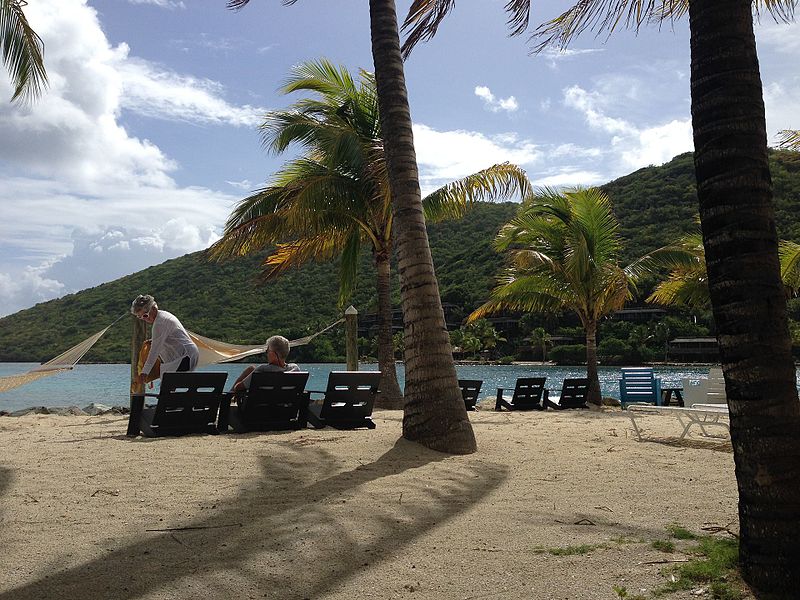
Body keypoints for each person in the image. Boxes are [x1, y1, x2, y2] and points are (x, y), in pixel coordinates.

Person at [131, 294, 199, 384]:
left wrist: (144, 373)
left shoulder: (159, 323)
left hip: (183, 357)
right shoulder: (163, 315)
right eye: (140, 317)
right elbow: (172, 337)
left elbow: (154, 351)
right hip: (187, 355)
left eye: (145, 315)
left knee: (167, 389)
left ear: (153, 308)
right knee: (170, 388)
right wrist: (154, 340)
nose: (144, 319)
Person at [231, 335, 299, 393]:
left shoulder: (262, 370)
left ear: (273, 354)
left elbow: (237, 388)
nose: (266, 354)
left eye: (267, 351)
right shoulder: (295, 369)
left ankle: (225, 400)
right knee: (251, 369)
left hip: (259, 407)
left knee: (250, 369)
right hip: (285, 407)